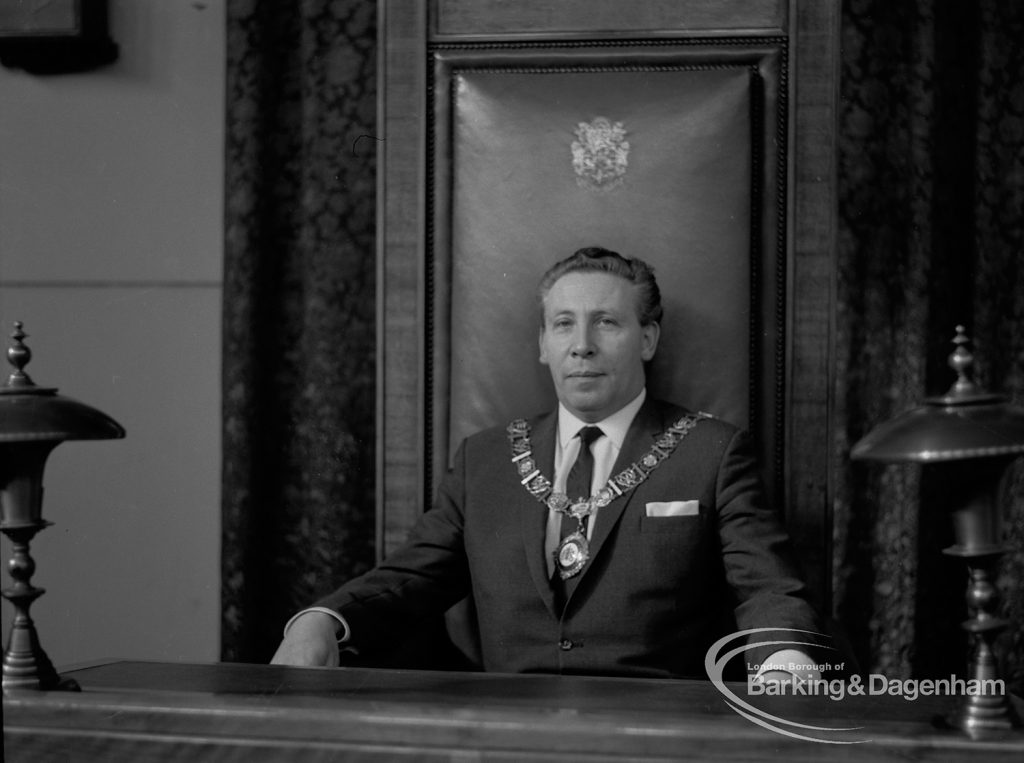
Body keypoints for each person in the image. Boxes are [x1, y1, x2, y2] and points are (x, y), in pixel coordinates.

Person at [272, 246, 821, 679]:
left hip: (657, 729)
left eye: (606, 322)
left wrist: (783, 662)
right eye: (563, 324)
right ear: (542, 343)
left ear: (647, 338)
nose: (582, 345)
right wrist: (323, 619)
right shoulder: (485, 458)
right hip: (506, 730)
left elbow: (768, 587)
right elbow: (412, 576)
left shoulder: (712, 452)